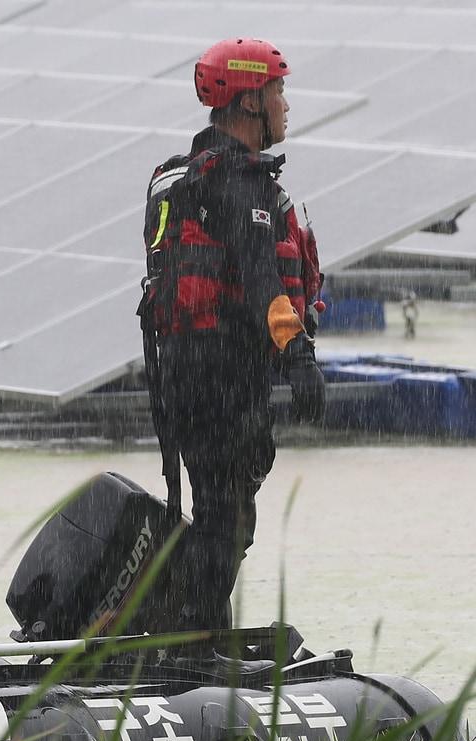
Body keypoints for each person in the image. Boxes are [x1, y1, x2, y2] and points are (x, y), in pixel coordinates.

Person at [139, 37, 326, 641]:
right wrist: (299, 357)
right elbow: (261, 279)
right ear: (248, 101)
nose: (285, 105)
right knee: (227, 516)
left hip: (177, 370)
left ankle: (196, 624)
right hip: (223, 372)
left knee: (215, 505)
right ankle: (196, 634)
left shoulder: (173, 176)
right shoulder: (242, 182)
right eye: (277, 91)